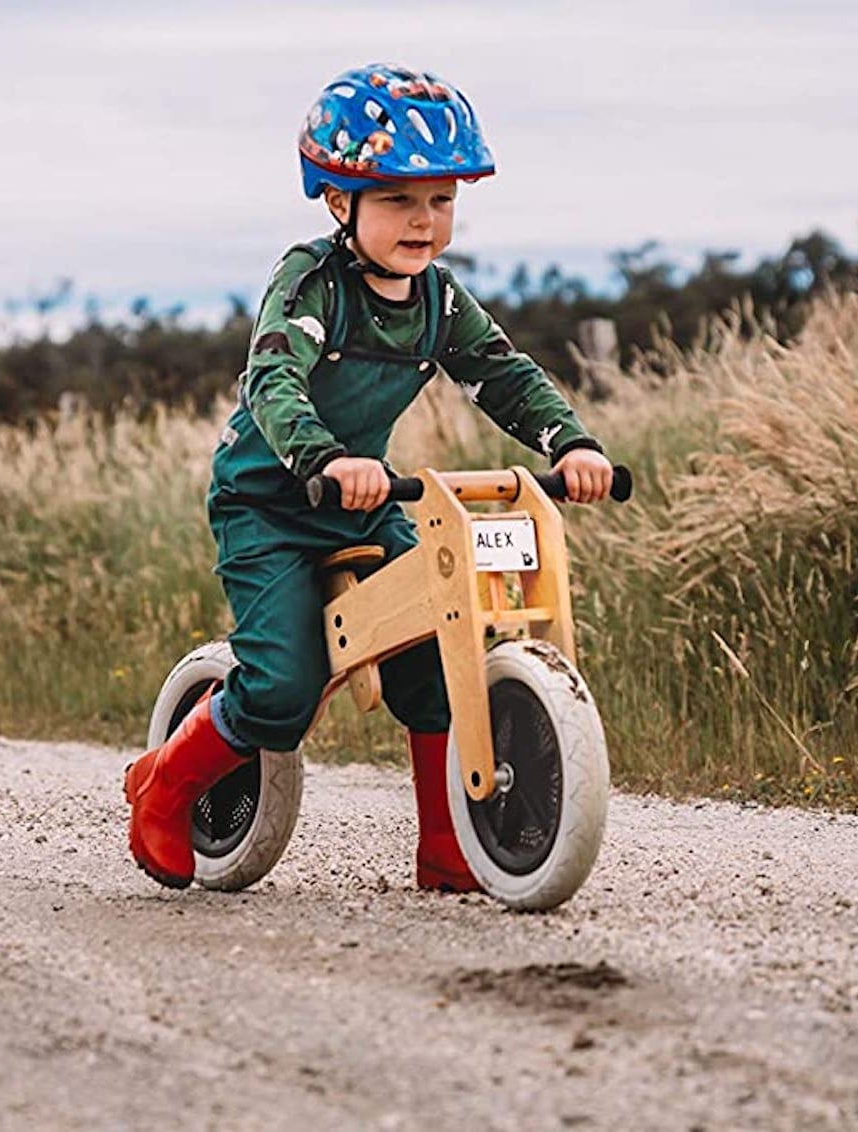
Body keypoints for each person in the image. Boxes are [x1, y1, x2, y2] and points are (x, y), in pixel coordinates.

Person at [124, 63, 614, 892]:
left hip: (365, 500)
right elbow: (274, 380)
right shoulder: (312, 282)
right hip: (273, 502)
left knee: (433, 645)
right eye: (397, 200)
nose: (423, 221)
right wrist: (322, 458)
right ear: (339, 201)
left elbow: (502, 373)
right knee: (285, 687)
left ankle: (450, 847)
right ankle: (163, 784)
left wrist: (569, 442)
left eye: (441, 200)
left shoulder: (439, 300)